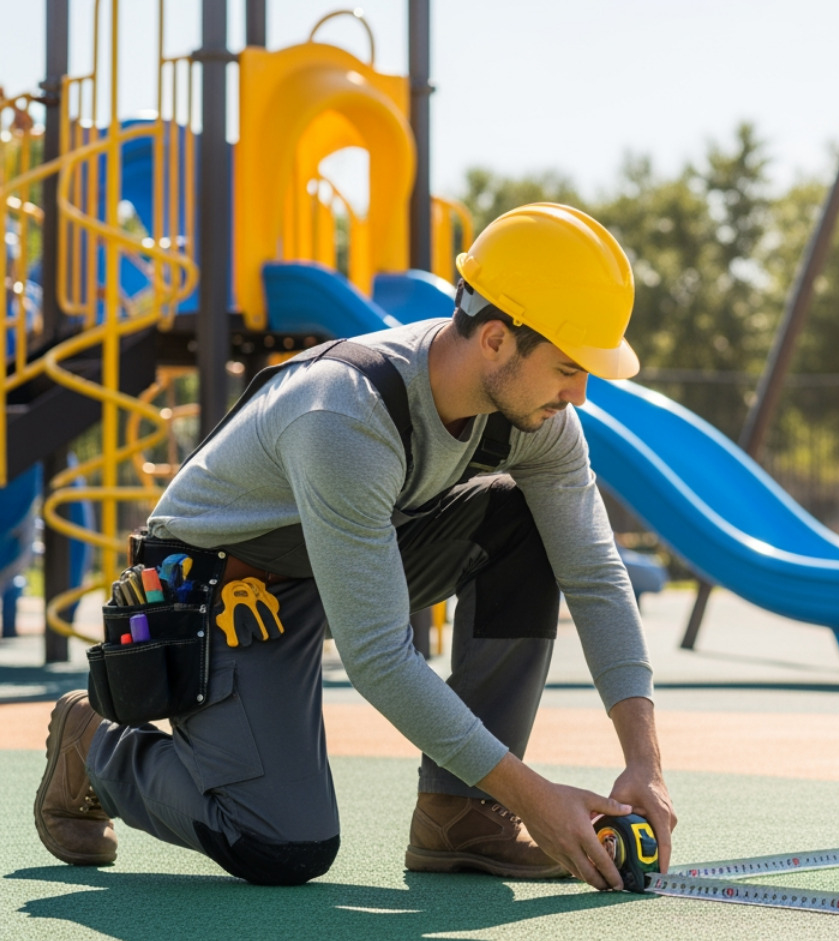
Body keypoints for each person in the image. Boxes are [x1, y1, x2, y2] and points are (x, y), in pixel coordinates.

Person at [33, 203, 675, 890]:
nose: (578, 394)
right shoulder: (345, 415)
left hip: (348, 558)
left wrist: (645, 762)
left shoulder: (533, 417)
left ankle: (461, 816)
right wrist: (533, 796)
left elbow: (595, 572)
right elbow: (377, 658)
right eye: (568, 368)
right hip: (225, 591)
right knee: (279, 843)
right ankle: (94, 745)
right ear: (495, 341)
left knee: (521, 524)